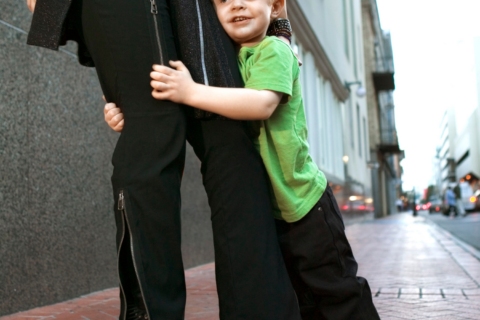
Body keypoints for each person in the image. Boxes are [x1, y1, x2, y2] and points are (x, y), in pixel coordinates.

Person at [25, 0, 301, 319]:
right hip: (121, 12)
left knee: (234, 151)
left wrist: (280, 31)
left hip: (198, 11)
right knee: (152, 140)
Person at [106, 0, 380, 318]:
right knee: (303, 295)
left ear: (275, 6)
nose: (236, 4)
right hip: (275, 210)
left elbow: (261, 103)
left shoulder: (274, 50)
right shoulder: (229, 60)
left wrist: (188, 91)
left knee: (336, 289)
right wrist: (122, 110)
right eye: (223, 1)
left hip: (306, 206)